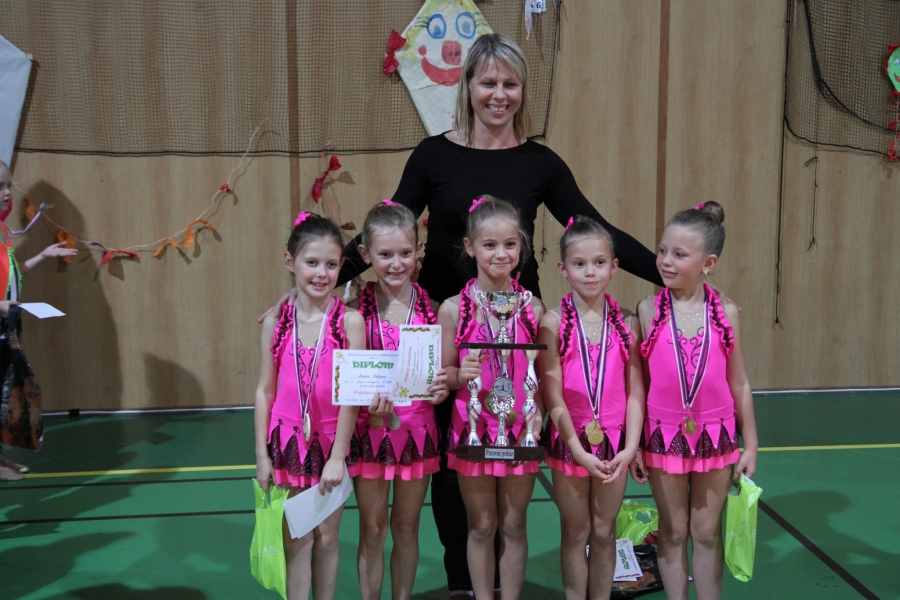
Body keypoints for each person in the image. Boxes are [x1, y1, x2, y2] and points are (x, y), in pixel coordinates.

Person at [333, 33, 664, 597]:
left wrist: (670, 275)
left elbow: (597, 230)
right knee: (449, 462)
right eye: (488, 82)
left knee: (509, 465)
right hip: (444, 334)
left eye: (510, 84)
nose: (499, 94)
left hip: (514, 340)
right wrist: (317, 285)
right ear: (467, 86)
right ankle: (465, 583)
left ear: (522, 90)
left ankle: (500, 583)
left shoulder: (540, 162)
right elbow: (386, 231)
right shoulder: (432, 155)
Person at [634, 202, 758, 600]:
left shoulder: (726, 312)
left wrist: (751, 443)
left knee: (706, 532)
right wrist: (635, 444)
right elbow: (640, 386)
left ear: (709, 264)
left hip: (717, 436)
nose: (666, 261)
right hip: (662, 436)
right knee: (673, 531)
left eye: (679, 254)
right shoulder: (647, 310)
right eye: (662, 251)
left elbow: (739, 382)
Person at [438, 196, 545, 600]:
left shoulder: (534, 308)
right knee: (481, 526)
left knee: (514, 525)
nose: (501, 254)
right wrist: (459, 374)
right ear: (470, 247)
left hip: (520, 430)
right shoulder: (452, 310)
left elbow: (539, 376)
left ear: (521, 247)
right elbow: (443, 378)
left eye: (510, 244)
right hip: (474, 429)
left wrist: (539, 416)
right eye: (490, 245)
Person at [255, 212, 365, 600]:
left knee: (328, 540)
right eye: (312, 262)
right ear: (291, 262)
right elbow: (264, 391)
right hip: (287, 444)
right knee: (296, 539)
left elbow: (352, 395)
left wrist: (337, 458)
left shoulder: (350, 322)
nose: (321, 273)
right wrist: (262, 456)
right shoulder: (276, 321)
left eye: (331, 265)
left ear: (342, 266)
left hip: (332, 444)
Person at [536, 216, 645, 600]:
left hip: (615, 443)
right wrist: (577, 449)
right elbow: (552, 396)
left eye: (599, 263)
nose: (590, 272)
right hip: (570, 442)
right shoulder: (552, 323)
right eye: (579, 264)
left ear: (614, 267)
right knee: (575, 530)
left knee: (603, 530)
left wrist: (631, 446)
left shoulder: (628, 323)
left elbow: (635, 392)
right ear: (562, 268)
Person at [350, 199, 450, 600]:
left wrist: (443, 388)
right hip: (368, 433)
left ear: (419, 251)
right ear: (365, 254)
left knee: (406, 528)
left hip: (417, 434)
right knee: (372, 529)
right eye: (385, 255)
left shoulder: (436, 311)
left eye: (405, 253)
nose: (396, 264)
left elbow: (445, 374)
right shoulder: (353, 312)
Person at [0, 160, 78, 482]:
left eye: (8, 185)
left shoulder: (2, 231)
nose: (7, 193)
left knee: (4, 396)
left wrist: (41, 257)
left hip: (6, 328)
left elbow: (9, 274)